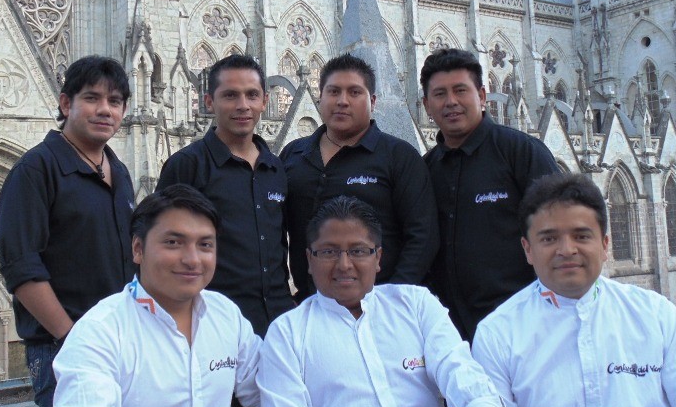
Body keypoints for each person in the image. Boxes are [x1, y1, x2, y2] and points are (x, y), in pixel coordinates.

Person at [472, 173, 676, 407]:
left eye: (581, 236)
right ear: (528, 249)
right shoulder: (498, 334)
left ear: (605, 245)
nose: (567, 250)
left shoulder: (656, 316)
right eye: (549, 238)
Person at [258, 195, 511, 407]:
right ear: (309, 260)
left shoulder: (415, 305)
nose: (344, 265)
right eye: (329, 252)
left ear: (378, 258)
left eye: (357, 251)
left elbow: (459, 373)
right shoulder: (287, 334)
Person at [0, 56, 135, 407]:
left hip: (123, 345)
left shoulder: (117, 171)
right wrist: (72, 338)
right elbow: (22, 268)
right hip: (64, 347)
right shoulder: (35, 170)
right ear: (65, 104)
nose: (105, 109)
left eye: (115, 101)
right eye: (92, 98)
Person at [52, 184, 261, 407]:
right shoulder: (99, 332)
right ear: (138, 249)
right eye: (173, 242)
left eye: (205, 245)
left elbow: (268, 397)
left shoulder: (226, 316)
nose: (192, 260)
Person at [421, 48, 559, 341]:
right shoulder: (426, 169)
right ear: (426, 105)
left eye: (461, 90)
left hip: (524, 331)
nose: (451, 102)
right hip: (454, 336)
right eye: (440, 94)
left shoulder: (521, 153)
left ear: (482, 96)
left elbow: (559, 232)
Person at [156, 54, 294, 338]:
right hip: (212, 326)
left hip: (278, 323)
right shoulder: (188, 166)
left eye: (252, 95)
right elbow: (160, 245)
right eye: (230, 95)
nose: (243, 106)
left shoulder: (275, 167)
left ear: (264, 102)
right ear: (209, 102)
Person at [280, 53, 438, 301]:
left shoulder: (399, 156)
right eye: (333, 92)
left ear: (372, 101)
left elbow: (423, 236)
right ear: (320, 98)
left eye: (354, 92)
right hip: (310, 306)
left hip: (380, 306)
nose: (342, 101)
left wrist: (394, 300)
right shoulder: (293, 155)